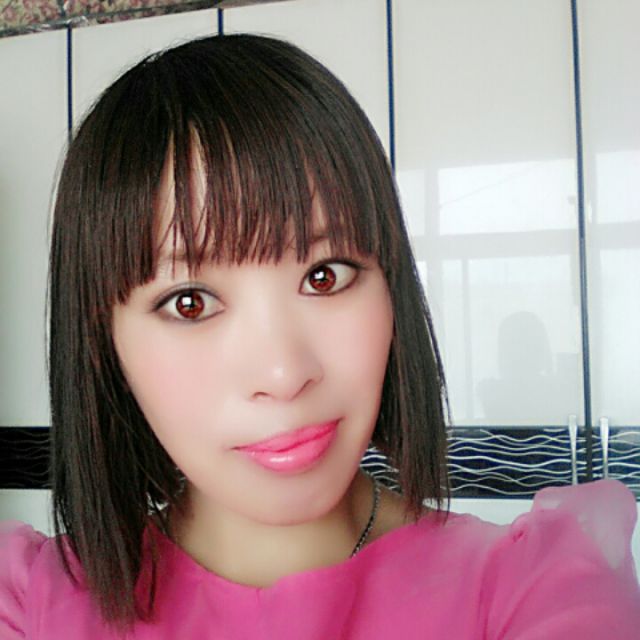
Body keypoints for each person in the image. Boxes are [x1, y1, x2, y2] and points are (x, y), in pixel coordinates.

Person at [1, 34, 639, 639]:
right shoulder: (29, 605)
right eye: (190, 303)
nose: (284, 374)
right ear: (104, 343)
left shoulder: (536, 589)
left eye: (324, 276)